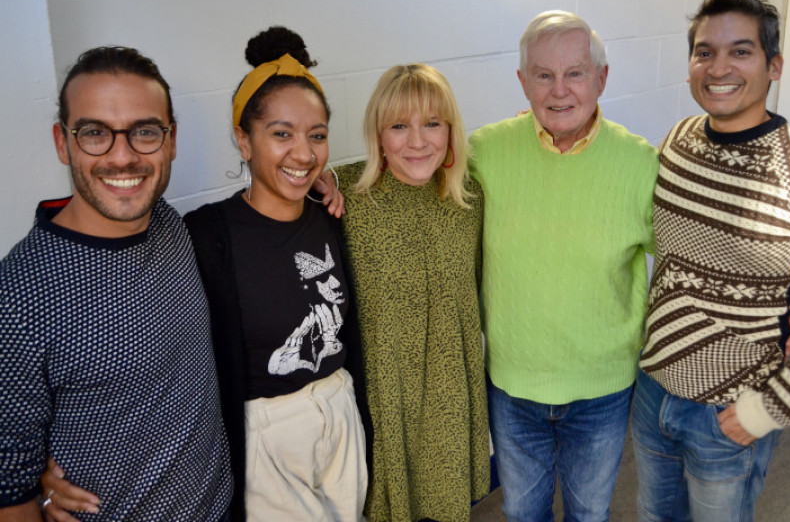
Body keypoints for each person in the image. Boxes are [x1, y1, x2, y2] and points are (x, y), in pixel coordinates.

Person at [39, 28, 369, 522]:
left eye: (316, 135)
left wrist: (329, 181)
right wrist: (43, 458)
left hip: (340, 412)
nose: (303, 153)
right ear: (244, 139)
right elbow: (101, 282)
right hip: (265, 434)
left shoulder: (330, 213)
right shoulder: (202, 233)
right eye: (281, 134)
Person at [632, 0, 790, 522]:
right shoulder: (677, 140)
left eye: (740, 51)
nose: (719, 66)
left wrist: (769, 410)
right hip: (652, 394)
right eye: (705, 52)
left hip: (730, 414)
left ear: (775, 66)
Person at [0, 46, 232, 521]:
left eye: (144, 132)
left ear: (170, 141)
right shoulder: (19, 294)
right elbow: (10, 484)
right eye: (94, 133)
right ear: (63, 143)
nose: (122, 157)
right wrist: (39, 487)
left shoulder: (169, 225)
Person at [467, 11, 659, 522]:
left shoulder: (641, 164)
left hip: (603, 391)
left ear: (602, 77)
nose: (559, 90)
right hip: (513, 386)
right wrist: (329, 185)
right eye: (543, 75)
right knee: (523, 514)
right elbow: (410, 173)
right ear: (522, 81)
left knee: (588, 515)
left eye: (575, 72)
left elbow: (686, 255)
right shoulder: (483, 153)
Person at [334, 64, 490, 522]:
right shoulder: (346, 197)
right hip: (386, 395)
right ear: (378, 135)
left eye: (432, 123)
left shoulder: (471, 199)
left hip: (450, 390)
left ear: (450, 131)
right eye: (399, 126)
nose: (418, 141)